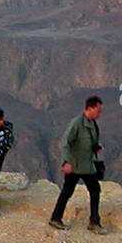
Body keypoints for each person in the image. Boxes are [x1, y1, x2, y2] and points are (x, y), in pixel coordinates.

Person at [48, 95, 106, 233]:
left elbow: (89, 142)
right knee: (67, 191)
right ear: (90, 108)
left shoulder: (93, 125)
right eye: (98, 110)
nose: (100, 114)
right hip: (75, 165)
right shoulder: (77, 123)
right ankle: (56, 218)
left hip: (87, 165)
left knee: (95, 190)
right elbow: (64, 143)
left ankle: (94, 221)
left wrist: (96, 147)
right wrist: (67, 162)